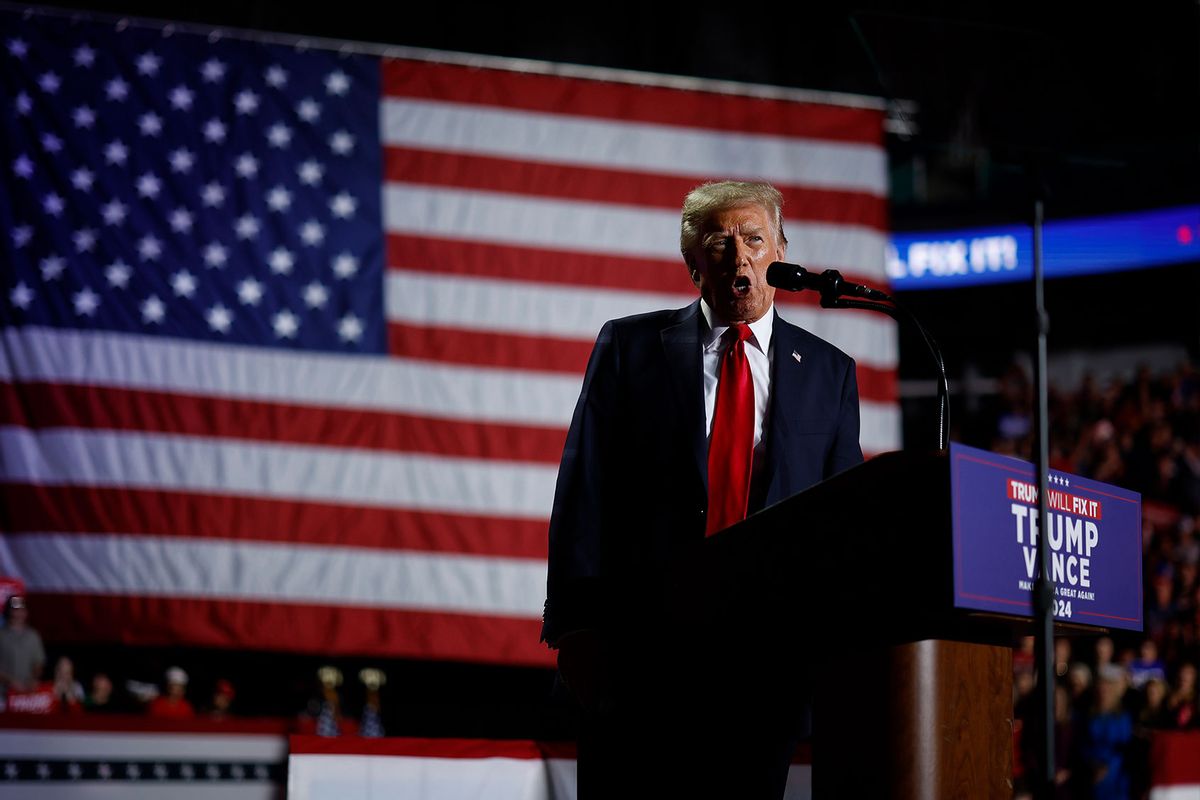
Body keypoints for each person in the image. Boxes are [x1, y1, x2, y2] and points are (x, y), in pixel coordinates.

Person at [543, 180, 863, 799]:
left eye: (753, 238)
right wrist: (574, 631)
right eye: (719, 243)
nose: (738, 255)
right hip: (637, 665)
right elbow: (584, 490)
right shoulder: (628, 347)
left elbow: (839, 525)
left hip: (765, 673)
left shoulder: (830, 374)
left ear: (781, 252)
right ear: (693, 265)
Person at [0, 595, 45, 698]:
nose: (19, 613)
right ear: (9, 612)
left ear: (26, 612)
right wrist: (10, 681)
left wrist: (33, 679)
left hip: (27, 692)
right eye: (15, 610)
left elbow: (39, 663)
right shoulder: (1, 635)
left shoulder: (33, 636)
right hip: (3, 693)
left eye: (22, 609)